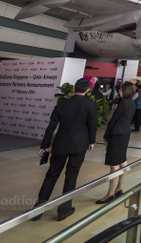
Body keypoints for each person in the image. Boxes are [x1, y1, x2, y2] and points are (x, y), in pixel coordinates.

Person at [33, 77, 96, 221]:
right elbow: (92, 124)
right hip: (79, 145)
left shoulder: (62, 104)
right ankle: (64, 209)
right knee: (71, 176)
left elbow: (51, 127)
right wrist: (91, 141)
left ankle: (38, 209)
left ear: (74, 88)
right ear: (88, 90)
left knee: (51, 175)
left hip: (60, 144)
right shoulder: (89, 104)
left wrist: (45, 145)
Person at [96, 81, 136, 204]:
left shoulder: (123, 104)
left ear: (126, 91)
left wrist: (106, 135)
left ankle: (110, 194)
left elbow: (113, 120)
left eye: (121, 90)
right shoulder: (132, 103)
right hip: (125, 134)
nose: (119, 92)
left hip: (117, 134)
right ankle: (119, 189)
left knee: (114, 164)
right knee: (123, 161)